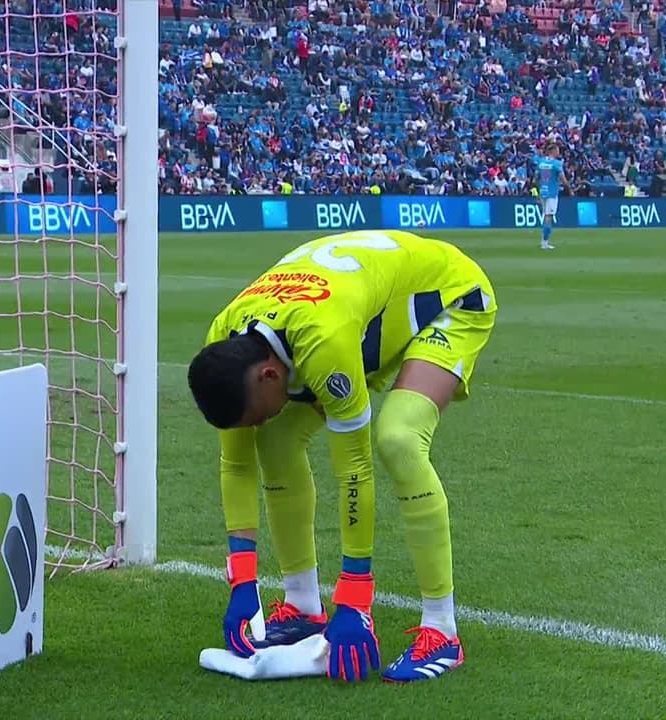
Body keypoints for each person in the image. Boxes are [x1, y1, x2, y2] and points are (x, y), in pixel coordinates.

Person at [187, 230, 498, 683]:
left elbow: (354, 469)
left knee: (399, 438)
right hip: (358, 310)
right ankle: (303, 606)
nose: (257, 423)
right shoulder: (222, 337)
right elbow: (236, 464)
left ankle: (442, 631)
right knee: (275, 441)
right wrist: (242, 577)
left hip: (448, 296)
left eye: (255, 414)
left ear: (270, 375)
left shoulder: (322, 342)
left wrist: (355, 597)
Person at [534, 143, 569, 250]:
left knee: (546, 216)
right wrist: (569, 188)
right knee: (548, 217)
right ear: (552, 151)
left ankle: (544, 241)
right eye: (557, 150)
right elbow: (563, 179)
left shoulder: (541, 162)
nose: (558, 152)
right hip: (552, 193)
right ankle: (545, 242)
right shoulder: (556, 163)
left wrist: (537, 193)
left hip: (543, 192)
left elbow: (536, 179)